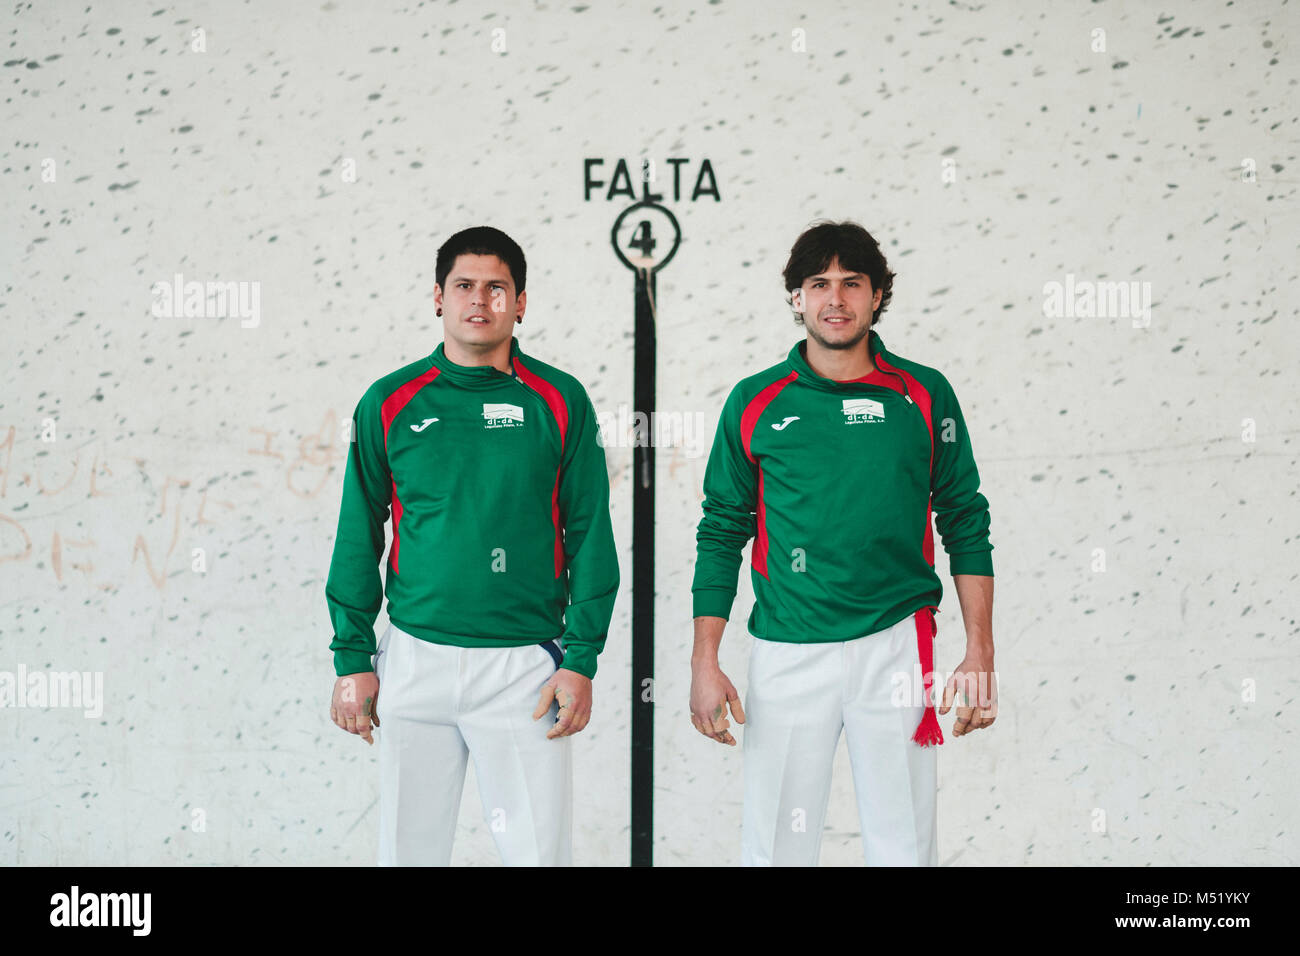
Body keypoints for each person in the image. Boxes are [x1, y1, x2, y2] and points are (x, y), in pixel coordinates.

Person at [689, 219, 997, 866]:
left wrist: (979, 653)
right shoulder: (754, 401)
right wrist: (704, 661)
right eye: (818, 284)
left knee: (904, 847)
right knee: (775, 848)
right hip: (786, 649)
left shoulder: (924, 393)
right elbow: (722, 530)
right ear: (795, 298)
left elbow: (965, 519)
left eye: (852, 284)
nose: (835, 299)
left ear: (878, 295)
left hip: (896, 645)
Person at [325, 226, 619, 866]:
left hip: (525, 669)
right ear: (438, 297)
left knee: (538, 858)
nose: (479, 301)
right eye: (464, 286)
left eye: (496, 287)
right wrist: (352, 657)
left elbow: (591, 533)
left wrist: (582, 658)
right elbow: (358, 537)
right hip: (412, 660)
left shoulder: (560, 401)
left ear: (520, 302)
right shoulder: (388, 401)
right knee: (408, 856)